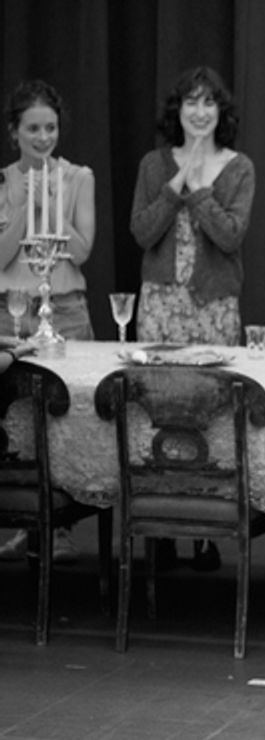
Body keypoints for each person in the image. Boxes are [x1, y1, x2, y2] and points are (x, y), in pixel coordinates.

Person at [129, 65, 254, 571]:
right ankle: (157, 528)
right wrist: (175, 184)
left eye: (209, 103)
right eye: (190, 103)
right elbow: (142, 231)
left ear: (220, 112)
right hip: (161, 303)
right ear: (176, 112)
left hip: (214, 306)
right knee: (158, 406)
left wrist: (200, 189)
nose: (200, 112)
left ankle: (207, 528)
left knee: (208, 409)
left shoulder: (239, 166)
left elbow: (230, 236)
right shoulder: (154, 164)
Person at [0, 79, 97, 564]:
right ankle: (23, 520)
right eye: (33, 129)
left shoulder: (79, 177)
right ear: (15, 132)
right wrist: (21, 200)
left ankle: (62, 527)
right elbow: (0, 256)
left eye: (51, 128)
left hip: (66, 307)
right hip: (12, 307)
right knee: (19, 422)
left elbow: (80, 250)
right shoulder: (2, 181)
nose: (43, 137)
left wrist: (51, 199)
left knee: (66, 421)